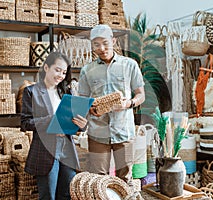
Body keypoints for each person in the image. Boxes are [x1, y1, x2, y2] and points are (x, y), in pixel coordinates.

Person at [78, 24, 145, 185]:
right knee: (98, 179)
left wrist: (129, 103)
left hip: (124, 131)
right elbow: (82, 101)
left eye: (105, 43)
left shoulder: (130, 65)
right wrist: (91, 109)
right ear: (92, 45)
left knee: (125, 179)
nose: (101, 48)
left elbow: (141, 95)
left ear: (113, 41)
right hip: (97, 133)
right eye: (96, 44)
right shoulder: (87, 70)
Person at [21, 52, 87, 200]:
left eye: (64, 72)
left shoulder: (67, 92)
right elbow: (25, 123)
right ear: (46, 67)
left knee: (67, 193)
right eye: (57, 70)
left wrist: (82, 125)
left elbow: (75, 121)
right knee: (48, 195)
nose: (61, 75)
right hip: (46, 150)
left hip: (67, 148)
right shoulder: (31, 92)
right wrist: (51, 119)